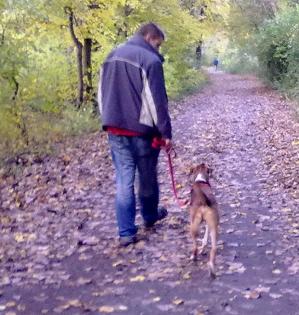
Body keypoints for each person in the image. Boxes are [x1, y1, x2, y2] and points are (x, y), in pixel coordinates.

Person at [98, 22, 172, 246]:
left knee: (124, 179)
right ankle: (149, 216)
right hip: (142, 130)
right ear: (150, 37)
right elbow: (157, 101)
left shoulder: (111, 56)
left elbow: (102, 94)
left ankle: (126, 232)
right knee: (147, 175)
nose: (158, 50)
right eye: (158, 45)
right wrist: (165, 132)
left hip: (114, 127)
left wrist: (107, 119)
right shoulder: (150, 61)